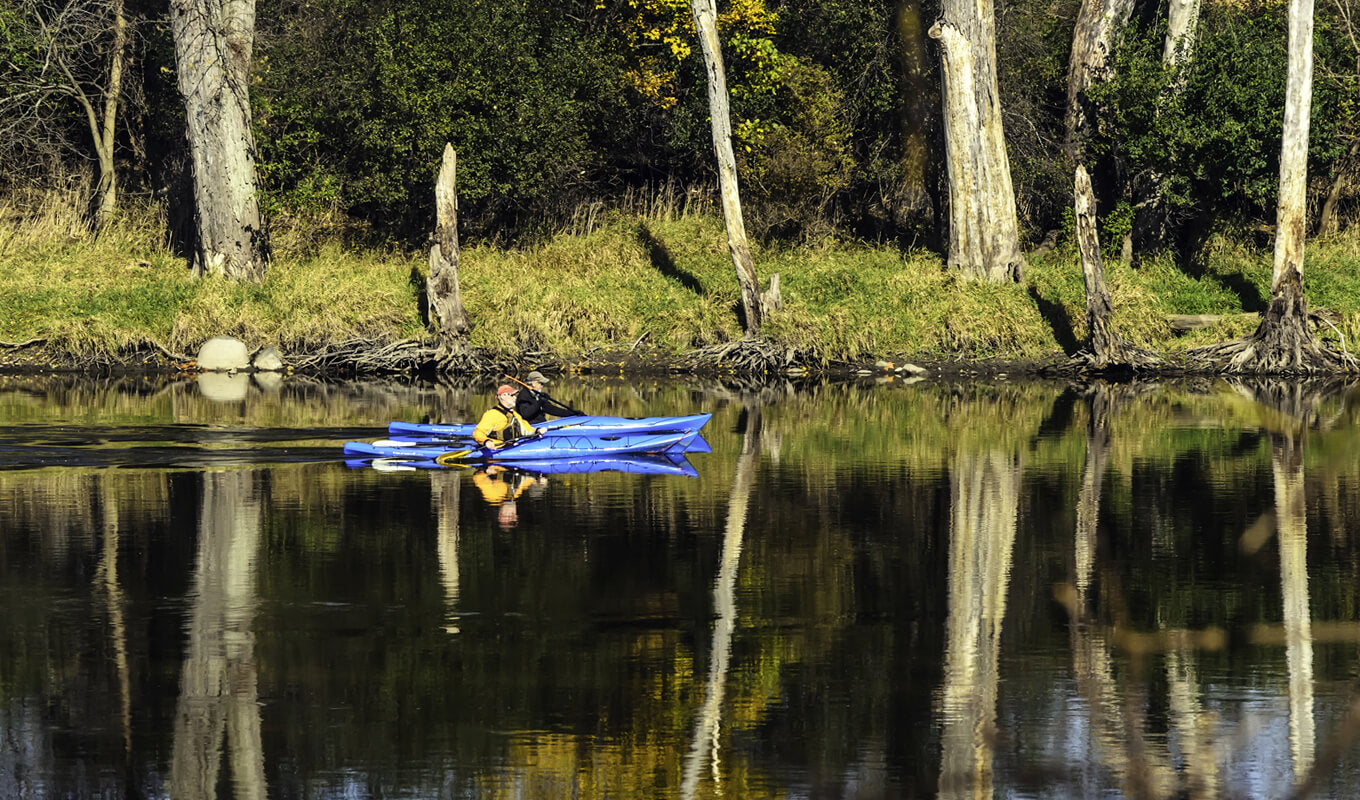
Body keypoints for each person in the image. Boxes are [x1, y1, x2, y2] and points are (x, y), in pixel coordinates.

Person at [473, 384, 540, 448]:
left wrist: (537, 431)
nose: (515, 398)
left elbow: (525, 428)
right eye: (512, 395)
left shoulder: (514, 414)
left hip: (510, 446)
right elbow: (478, 432)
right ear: (503, 396)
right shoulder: (492, 414)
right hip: (497, 447)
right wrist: (486, 442)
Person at [514, 370, 580, 424]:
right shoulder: (523, 395)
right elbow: (526, 414)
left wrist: (572, 413)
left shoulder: (537, 395)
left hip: (542, 425)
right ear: (533, 383)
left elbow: (552, 409)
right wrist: (539, 401)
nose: (542, 386)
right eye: (541, 383)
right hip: (531, 428)